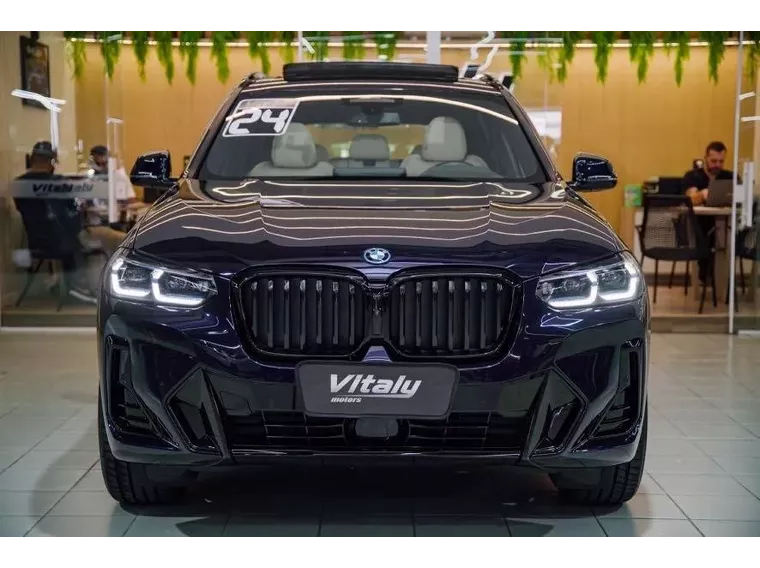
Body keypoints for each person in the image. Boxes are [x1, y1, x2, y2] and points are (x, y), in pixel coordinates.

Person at [13, 141, 98, 304]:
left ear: (32, 159)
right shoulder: (57, 182)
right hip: (62, 243)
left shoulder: (18, 184)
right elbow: (71, 210)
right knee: (97, 239)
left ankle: (70, 286)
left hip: (36, 242)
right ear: (51, 162)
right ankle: (80, 287)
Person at [680, 141, 740, 284]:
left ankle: (721, 280)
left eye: (721, 161)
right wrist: (702, 194)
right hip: (700, 225)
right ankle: (709, 274)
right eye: (713, 161)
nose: (717, 165)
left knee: (725, 235)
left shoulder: (731, 177)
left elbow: (741, 198)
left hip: (726, 225)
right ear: (705, 158)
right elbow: (690, 199)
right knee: (706, 234)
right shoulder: (693, 176)